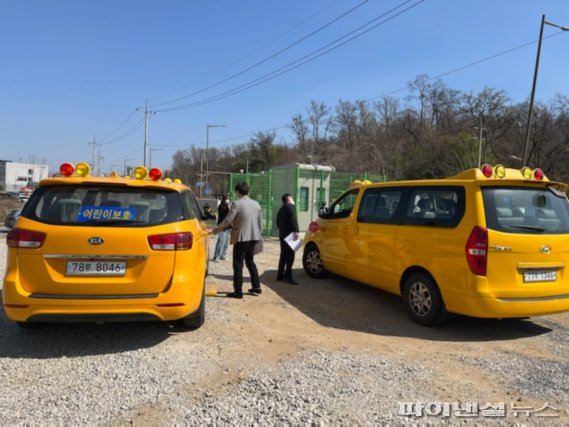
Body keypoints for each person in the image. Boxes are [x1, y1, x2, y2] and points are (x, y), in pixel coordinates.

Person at [209, 182, 263, 299]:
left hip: (241, 237)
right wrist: (259, 236)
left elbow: (228, 220)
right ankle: (256, 286)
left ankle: (238, 291)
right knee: (250, 261)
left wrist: (214, 230)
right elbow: (260, 223)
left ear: (238, 192)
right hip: (254, 236)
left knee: (238, 264)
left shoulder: (237, 204)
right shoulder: (256, 204)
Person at [276, 193, 300, 285]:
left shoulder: (281, 209)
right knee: (290, 256)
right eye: (292, 198)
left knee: (283, 255)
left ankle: (280, 275)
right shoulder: (291, 207)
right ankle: (288, 276)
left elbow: (277, 222)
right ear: (289, 199)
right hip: (290, 235)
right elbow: (294, 219)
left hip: (282, 234)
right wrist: (296, 231)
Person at [212, 195, 230, 262]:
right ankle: (216, 256)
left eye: (228, 199)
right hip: (221, 227)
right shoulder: (221, 207)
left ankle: (223, 255)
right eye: (226, 199)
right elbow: (223, 214)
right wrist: (228, 208)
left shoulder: (228, 207)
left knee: (225, 242)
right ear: (224, 200)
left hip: (227, 227)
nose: (228, 200)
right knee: (221, 241)